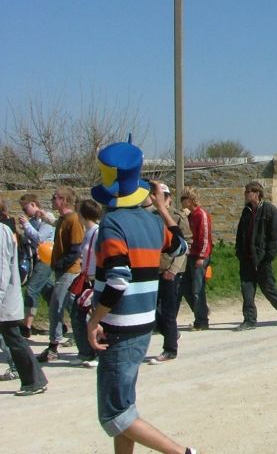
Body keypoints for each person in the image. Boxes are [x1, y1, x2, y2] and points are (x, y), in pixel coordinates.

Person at [86, 139, 198, 453]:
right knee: (126, 406)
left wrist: (94, 319)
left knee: (114, 414)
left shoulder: (112, 224)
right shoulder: (152, 222)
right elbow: (180, 246)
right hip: (143, 325)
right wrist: (162, 209)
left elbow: (117, 280)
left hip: (119, 328)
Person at [233, 181, 277, 331]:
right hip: (246, 258)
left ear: (257, 193)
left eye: (248, 192)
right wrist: (239, 251)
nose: (245, 194)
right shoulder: (246, 211)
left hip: (262, 258)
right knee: (247, 289)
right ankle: (249, 320)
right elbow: (240, 233)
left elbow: (276, 235)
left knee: (268, 288)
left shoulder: (269, 210)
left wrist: (268, 256)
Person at [0, 221, 48, 396]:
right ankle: (35, 380)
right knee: (13, 338)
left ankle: (34, 381)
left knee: (14, 339)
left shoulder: (1, 232)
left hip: (5, 299)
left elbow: (2, 270)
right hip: (5, 299)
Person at [38, 186, 85, 363]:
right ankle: (91, 336)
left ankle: (54, 345)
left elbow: (76, 248)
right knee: (74, 307)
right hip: (62, 270)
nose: (52, 200)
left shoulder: (73, 220)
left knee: (56, 306)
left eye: (54, 197)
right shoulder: (62, 219)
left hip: (69, 271)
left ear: (63, 200)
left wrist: (61, 264)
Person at [151, 184, 187, 363]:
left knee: (168, 312)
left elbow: (184, 246)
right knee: (151, 310)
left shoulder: (177, 217)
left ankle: (170, 349)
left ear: (168, 198)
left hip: (171, 271)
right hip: (153, 269)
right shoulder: (151, 217)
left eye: (162, 196)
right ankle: (170, 333)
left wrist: (173, 270)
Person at [17, 194, 55, 338]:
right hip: (35, 260)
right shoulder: (32, 221)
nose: (24, 211)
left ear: (33, 204)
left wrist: (27, 225)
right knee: (48, 291)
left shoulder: (46, 218)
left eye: (25, 208)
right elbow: (30, 240)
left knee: (32, 289)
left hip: (46, 259)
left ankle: (26, 326)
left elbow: (39, 238)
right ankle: (59, 319)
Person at [69, 199, 101, 368]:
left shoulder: (98, 232)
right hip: (85, 279)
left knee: (98, 317)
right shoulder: (87, 232)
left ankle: (100, 352)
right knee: (77, 314)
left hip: (96, 280)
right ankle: (85, 352)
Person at [180, 187, 212, 331]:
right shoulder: (190, 216)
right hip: (190, 255)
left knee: (197, 289)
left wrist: (201, 256)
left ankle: (201, 321)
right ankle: (202, 311)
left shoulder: (201, 215)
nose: (181, 201)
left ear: (191, 200)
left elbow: (205, 237)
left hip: (200, 256)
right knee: (185, 286)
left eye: (184, 198)